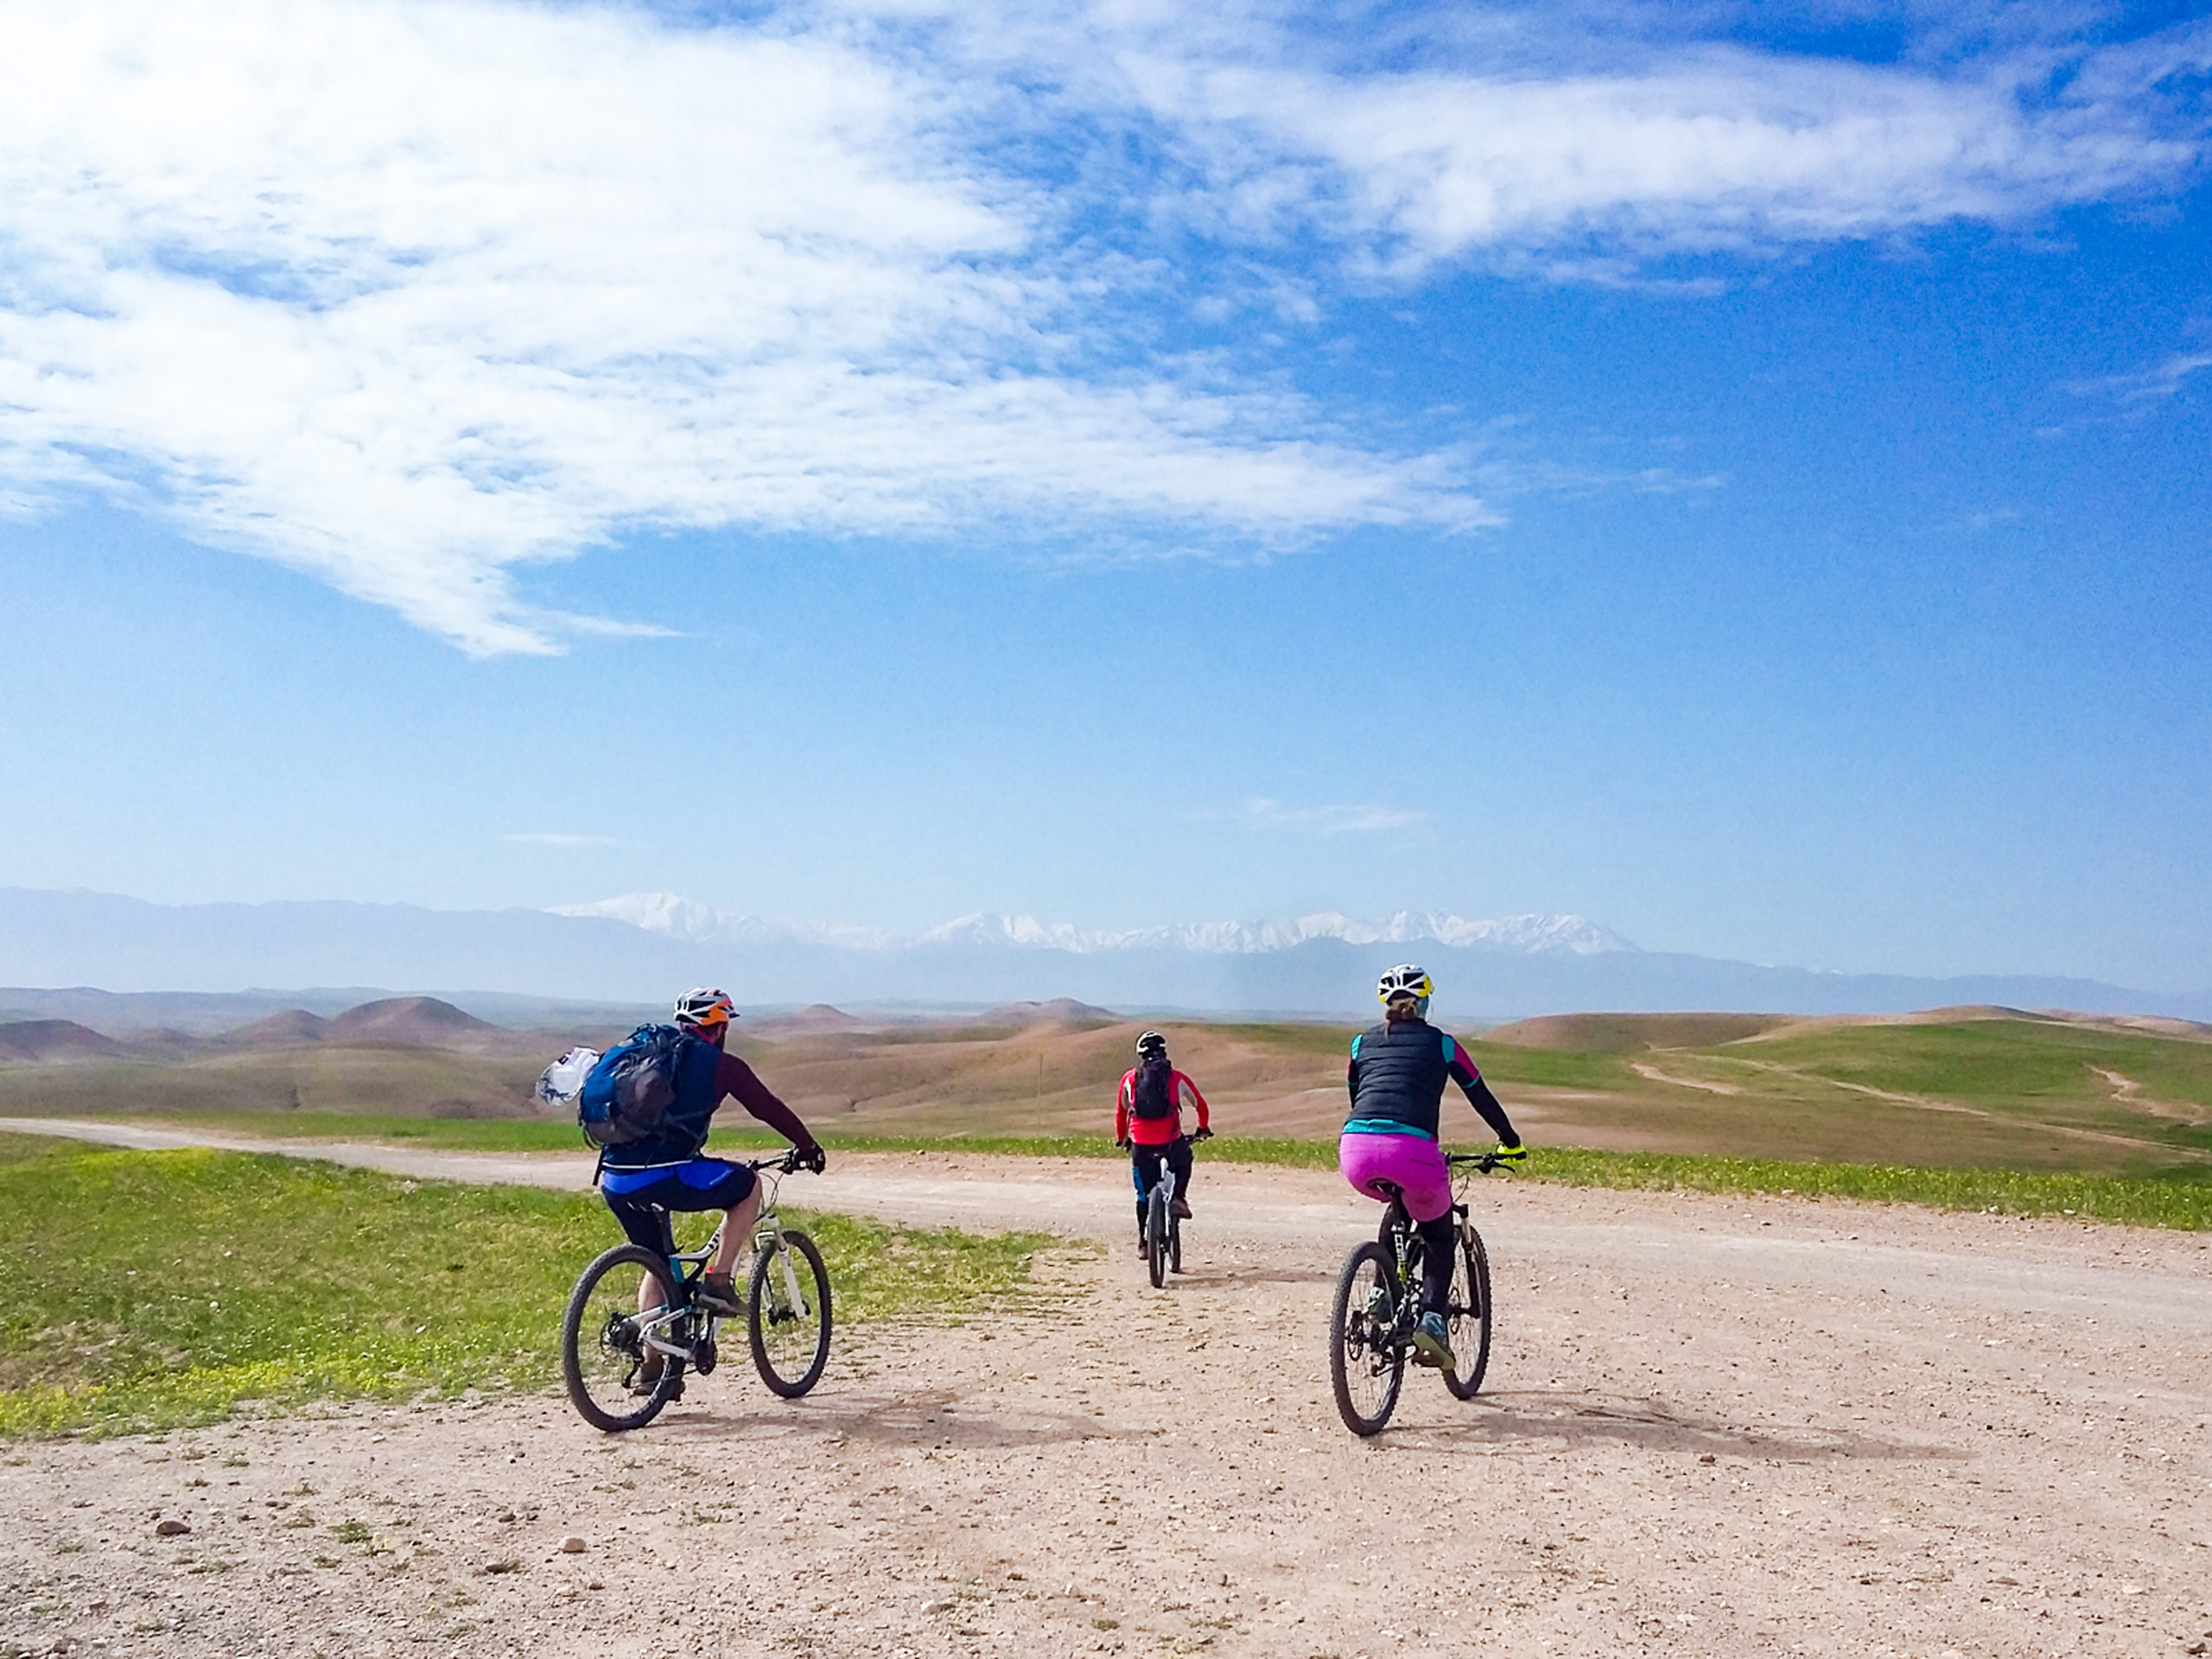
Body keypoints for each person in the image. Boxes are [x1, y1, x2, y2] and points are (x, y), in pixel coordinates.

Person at [597, 988, 826, 1386]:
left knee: (657, 1262)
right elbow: (765, 1106)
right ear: (719, 1028)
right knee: (748, 1185)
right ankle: (719, 1283)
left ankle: (654, 1369)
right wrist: (807, 1145)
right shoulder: (721, 1065)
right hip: (666, 1173)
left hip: (615, 1178)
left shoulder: (650, 1054)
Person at [1339, 965, 1525, 1370]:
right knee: (1440, 1234)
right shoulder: (1443, 1045)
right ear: (1423, 1003)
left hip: (1354, 1150)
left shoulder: (1359, 1044)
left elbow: (1358, 1096)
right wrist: (1509, 1140)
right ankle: (1433, 1323)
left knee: (1397, 1208)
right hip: (1414, 1154)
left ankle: (1381, 1296)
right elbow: (1479, 1094)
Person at [1114, 1028, 1212, 1258]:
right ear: (1164, 1053)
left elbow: (1121, 1113)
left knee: (1142, 1195)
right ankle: (1178, 1197)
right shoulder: (1177, 1078)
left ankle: (1142, 1242)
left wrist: (1123, 1139)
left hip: (1140, 1144)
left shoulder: (1129, 1079)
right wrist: (1202, 1128)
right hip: (1170, 1141)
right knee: (1184, 1160)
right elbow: (1201, 1105)